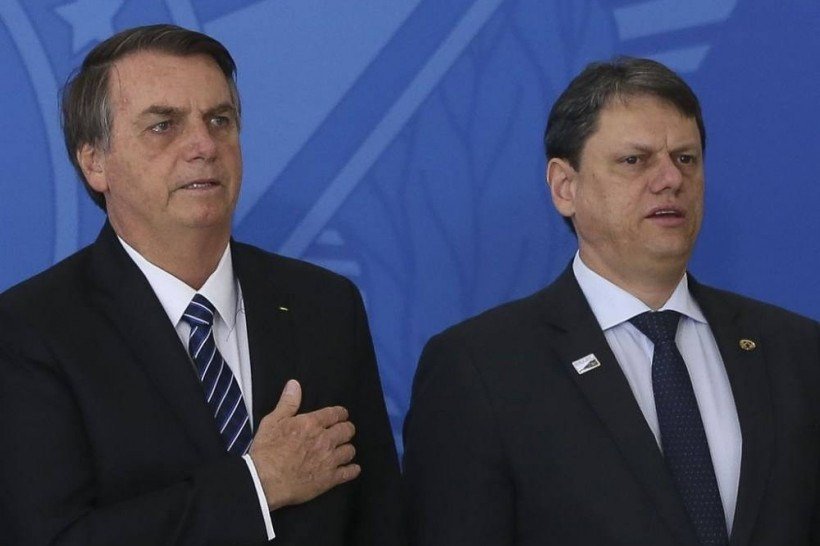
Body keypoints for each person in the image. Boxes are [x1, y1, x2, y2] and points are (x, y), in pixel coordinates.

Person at [0, 24, 403, 545]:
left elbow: (380, 518)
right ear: (95, 161)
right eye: (163, 125)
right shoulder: (31, 330)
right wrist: (256, 486)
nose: (204, 145)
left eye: (220, 120)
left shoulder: (324, 304)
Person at [403, 57, 820, 545]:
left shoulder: (796, 350)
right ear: (565, 187)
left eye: (686, 158)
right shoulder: (481, 368)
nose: (670, 179)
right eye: (635, 160)